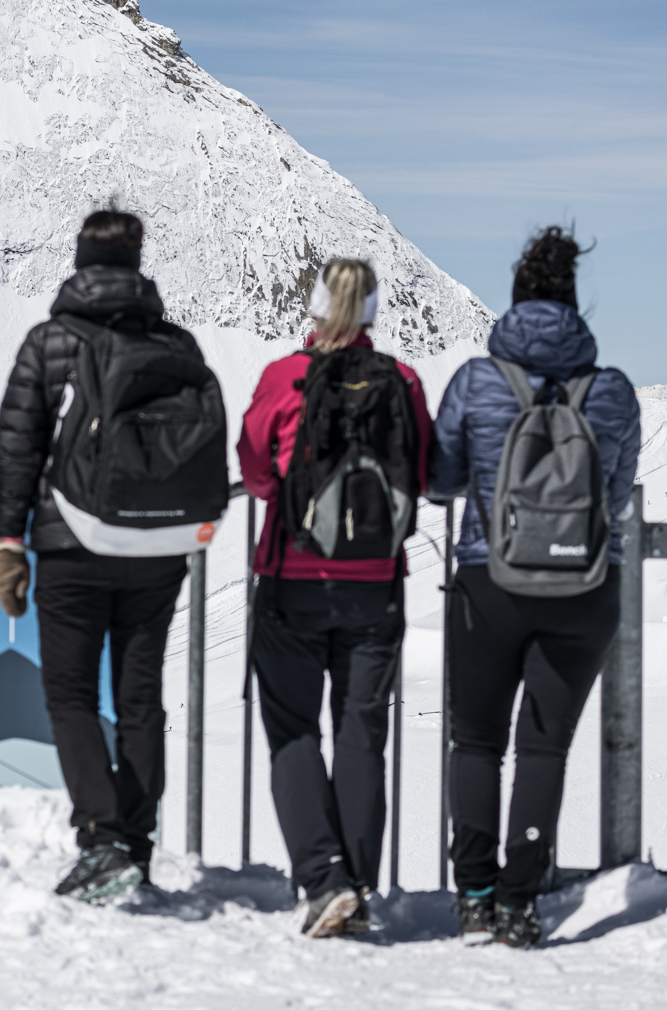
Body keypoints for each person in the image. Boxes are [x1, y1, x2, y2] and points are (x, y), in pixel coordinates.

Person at [430, 227, 640, 948]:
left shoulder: (478, 381)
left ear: (515, 303)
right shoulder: (611, 392)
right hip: (583, 587)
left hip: (490, 582)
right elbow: (614, 497)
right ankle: (522, 902)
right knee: (544, 750)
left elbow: (441, 477)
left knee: (477, 741)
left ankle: (477, 898)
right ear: (575, 306)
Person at [0, 209, 198, 903]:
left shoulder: (50, 341)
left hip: (72, 545)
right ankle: (135, 845)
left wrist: (10, 540)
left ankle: (102, 837)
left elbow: (18, 449)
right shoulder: (176, 343)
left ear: (79, 263)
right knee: (140, 698)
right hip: (158, 548)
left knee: (71, 694)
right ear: (139, 266)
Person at [236, 259, 432, 938]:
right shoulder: (402, 381)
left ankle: (324, 881)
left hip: (293, 581)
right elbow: (426, 472)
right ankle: (357, 885)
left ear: (316, 309)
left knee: (293, 731)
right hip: (376, 587)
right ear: (372, 311)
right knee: (361, 736)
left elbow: (258, 474)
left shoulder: (283, 378)